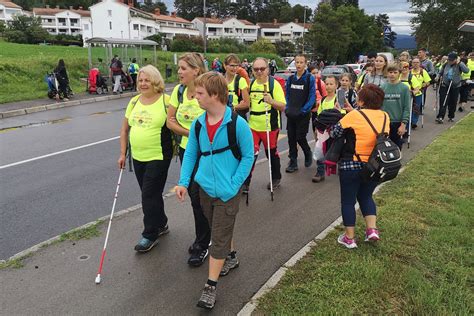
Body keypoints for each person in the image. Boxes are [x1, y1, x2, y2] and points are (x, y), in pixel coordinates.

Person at [175, 72, 254, 310]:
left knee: (217, 237)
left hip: (228, 192)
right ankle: (231, 257)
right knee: (218, 229)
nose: (195, 97)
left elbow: (248, 156)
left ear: (215, 95)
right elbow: (190, 154)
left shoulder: (237, 124)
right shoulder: (199, 124)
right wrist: (183, 181)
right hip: (205, 189)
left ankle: (210, 286)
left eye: (200, 93)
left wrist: (234, 184)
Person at [118, 65, 173, 252]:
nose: (143, 83)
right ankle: (162, 223)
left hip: (159, 155)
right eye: (140, 80)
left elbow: (176, 123)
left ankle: (150, 234)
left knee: (148, 194)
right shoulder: (134, 102)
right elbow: (125, 129)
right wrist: (122, 153)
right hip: (138, 157)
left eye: (147, 80)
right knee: (151, 194)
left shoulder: (166, 101)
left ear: (156, 81)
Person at [330, 84, 389, 249]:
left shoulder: (354, 115)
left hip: (351, 164)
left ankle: (349, 238)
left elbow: (334, 133)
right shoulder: (385, 116)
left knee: (348, 201)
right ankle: (372, 230)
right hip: (374, 165)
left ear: (361, 101)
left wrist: (342, 114)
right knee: (366, 196)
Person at [166, 53, 210, 266]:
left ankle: (206, 242)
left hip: (209, 154)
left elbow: (216, 120)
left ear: (196, 70)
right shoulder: (179, 91)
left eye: (183, 68)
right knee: (195, 196)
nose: (179, 72)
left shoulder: (207, 89)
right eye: (179, 68)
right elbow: (170, 121)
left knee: (206, 197)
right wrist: (191, 135)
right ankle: (203, 239)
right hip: (188, 151)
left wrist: (194, 135)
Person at [244, 57, 286, 192]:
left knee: (271, 153)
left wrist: (271, 101)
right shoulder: (251, 85)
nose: (259, 72)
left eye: (262, 69)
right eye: (256, 69)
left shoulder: (274, 85)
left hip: (270, 126)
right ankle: (245, 182)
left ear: (267, 69)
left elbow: (282, 106)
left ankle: (276, 177)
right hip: (253, 126)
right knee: (250, 154)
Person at [284, 55, 316, 173]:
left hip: (303, 114)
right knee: (291, 138)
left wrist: (304, 110)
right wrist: (288, 107)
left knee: (300, 137)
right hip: (291, 113)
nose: (298, 64)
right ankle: (293, 162)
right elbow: (287, 94)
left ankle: (307, 152)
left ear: (305, 64)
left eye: (301, 62)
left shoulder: (309, 78)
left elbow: (312, 96)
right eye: (297, 62)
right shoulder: (291, 78)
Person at [312, 76, 345, 183]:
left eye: (331, 84)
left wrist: (338, 111)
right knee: (320, 151)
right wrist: (317, 130)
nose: (328, 86)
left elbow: (343, 114)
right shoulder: (322, 100)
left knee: (336, 150)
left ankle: (341, 169)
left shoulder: (338, 99)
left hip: (335, 131)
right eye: (326, 84)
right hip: (323, 132)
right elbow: (319, 115)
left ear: (336, 86)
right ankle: (320, 172)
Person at [381, 63, 410, 149]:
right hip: (385, 122)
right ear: (387, 73)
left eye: (395, 72)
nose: (392, 74)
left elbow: (406, 107)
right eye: (390, 72)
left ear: (399, 73)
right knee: (384, 147)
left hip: (398, 122)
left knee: (396, 147)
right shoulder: (383, 87)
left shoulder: (404, 88)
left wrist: (403, 124)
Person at [436, 53, 470, 123]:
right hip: (445, 84)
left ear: (456, 59)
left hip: (455, 86)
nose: (450, 61)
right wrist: (438, 76)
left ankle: (451, 116)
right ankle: (440, 116)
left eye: (451, 60)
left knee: (453, 101)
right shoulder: (446, 64)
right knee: (443, 100)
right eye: (449, 60)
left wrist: (460, 63)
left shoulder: (460, 64)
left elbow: (466, 71)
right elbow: (441, 71)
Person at [224, 54, 250, 118]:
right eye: (232, 65)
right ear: (225, 66)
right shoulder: (220, 80)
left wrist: (232, 107)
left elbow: (247, 103)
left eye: (237, 66)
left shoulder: (241, 80)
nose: (235, 68)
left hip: (237, 116)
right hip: (223, 116)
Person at [409, 57, 431, 128]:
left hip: (419, 93)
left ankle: (414, 122)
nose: (415, 64)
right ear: (412, 63)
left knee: (416, 107)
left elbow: (428, 82)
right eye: (414, 62)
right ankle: (409, 121)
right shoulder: (409, 71)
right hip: (409, 92)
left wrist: (424, 85)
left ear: (420, 63)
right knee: (409, 107)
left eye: (417, 62)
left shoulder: (423, 71)